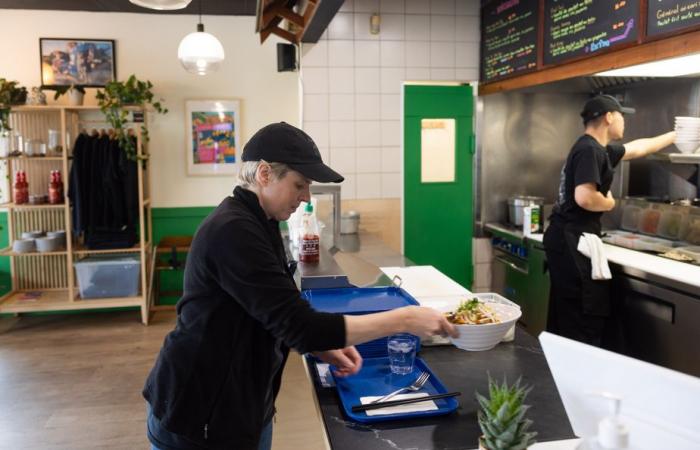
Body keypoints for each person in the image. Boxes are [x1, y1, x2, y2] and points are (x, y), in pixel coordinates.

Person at [143, 122, 458, 450]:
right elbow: (300, 327)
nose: (306, 196)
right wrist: (405, 319)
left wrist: (324, 348)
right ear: (264, 174)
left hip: (244, 404)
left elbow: (276, 312)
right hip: (201, 412)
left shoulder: (261, 222)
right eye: (299, 184)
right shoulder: (232, 231)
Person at [544, 94, 676, 347]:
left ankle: (565, 375)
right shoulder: (590, 150)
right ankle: (578, 379)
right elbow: (584, 198)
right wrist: (610, 202)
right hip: (573, 240)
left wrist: (675, 136)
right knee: (582, 317)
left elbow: (640, 147)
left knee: (570, 315)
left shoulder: (596, 149)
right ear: (609, 117)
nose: (624, 122)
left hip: (567, 238)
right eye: (622, 116)